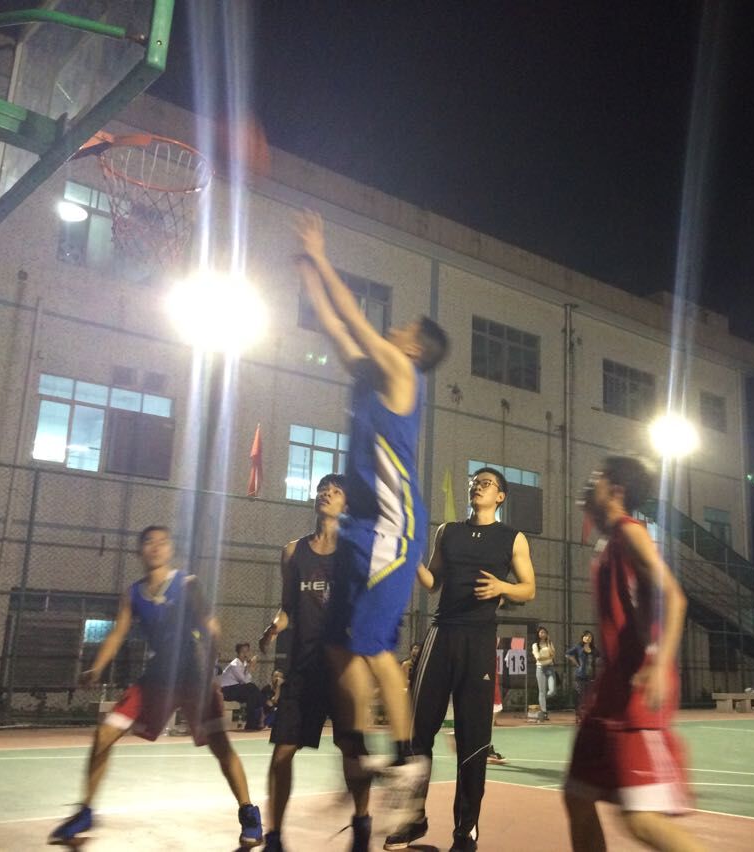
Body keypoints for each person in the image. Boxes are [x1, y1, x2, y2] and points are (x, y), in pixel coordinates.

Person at [295, 211, 449, 827]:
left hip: (392, 528)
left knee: (375, 649)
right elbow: (336, 325)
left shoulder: (403, 374)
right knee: (340, 647)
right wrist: (307, 271)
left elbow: (355, 319)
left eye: (406, 326)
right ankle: (361, 752)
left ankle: (409, 764)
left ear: (414, 348)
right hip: (361, 530)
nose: (396, 326)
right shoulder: (367, 377)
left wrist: (321, 253)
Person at [48, 525, 262, 848]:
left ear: (171, 549)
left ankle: (249, 813)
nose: (157, 547)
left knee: (221, 748)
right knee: (104, 735)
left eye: (163, 542)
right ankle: (85, 811)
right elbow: (118, 633)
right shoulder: (133, 594)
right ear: (140, 550)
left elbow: (212, 628)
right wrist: (96, 667)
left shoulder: (187, 584)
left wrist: (209, 671)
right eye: (149, 542)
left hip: (191, 677)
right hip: (157, 678)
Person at [384, 467, 536, 852]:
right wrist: (412, 562)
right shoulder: (447, 531)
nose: (477, 486)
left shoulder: (512, 537)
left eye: (486, 483)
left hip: (479, 640)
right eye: (474, 481)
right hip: (442, 633)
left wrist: (502, 587)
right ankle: (412, 819)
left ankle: (465, 829)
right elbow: (433, 582)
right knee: (416, 732)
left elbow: (528, 589)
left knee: (473, 739)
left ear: (500, 496)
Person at [563, 457, 701, 852]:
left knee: (640, 820)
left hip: (637, 687)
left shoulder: (630, 532)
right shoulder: (608, 543)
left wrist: (658, 663)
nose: (588, 484)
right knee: (577, 796)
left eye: (596, 478)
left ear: (616, 490)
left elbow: (674, 596)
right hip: (609, 691)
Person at [259, 473, 367, 852]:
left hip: (341, 669)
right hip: (302, 668)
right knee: (282, 753)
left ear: (346, 505)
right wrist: (274, 626)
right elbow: (287, 608)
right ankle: (275, 835)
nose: (326, 494)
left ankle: (362, 825)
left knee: (352, 751)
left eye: (335, 491)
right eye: (323, 489)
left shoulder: (354, 556)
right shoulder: (293, 552)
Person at [221, 642, 265, 731]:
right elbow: (245, 681)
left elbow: (246, 681)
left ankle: (251, 724)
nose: (245, 654)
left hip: (236, 689)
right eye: (242, 652)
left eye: (247, 651)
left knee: (252, 696)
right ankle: (265, 705)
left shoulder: (244, 663)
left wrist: (249, 668)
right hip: (226, 690)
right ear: (238, 653)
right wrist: (251, 668)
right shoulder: (235, 665)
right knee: (251, 688)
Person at [565, 631, 600, 724]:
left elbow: (599, 656)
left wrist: (593, 664)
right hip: (580, 676)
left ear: (592, 639)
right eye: (586, 636)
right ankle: (578, 715)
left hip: (591, 676)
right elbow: (567, 654)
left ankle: (587, 715)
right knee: (580, 695)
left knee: (588, 697)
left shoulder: (594, 649)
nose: (587, 638)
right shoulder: (578, 647)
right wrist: (576, 663)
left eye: (589, 637)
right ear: (582, 637)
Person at [531, 626, 555, 722]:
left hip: (550, 668)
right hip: (540, 669)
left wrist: (548, 643)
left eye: (544, 632)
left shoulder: (549, 643)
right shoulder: (535, 645)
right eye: (541, 632)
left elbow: (553, 654)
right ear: (538, 634)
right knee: (542, 692)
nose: (543, 634)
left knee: (552, 691)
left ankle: (543, 701)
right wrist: (549, 658)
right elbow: (538, 658)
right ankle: (544, 712)